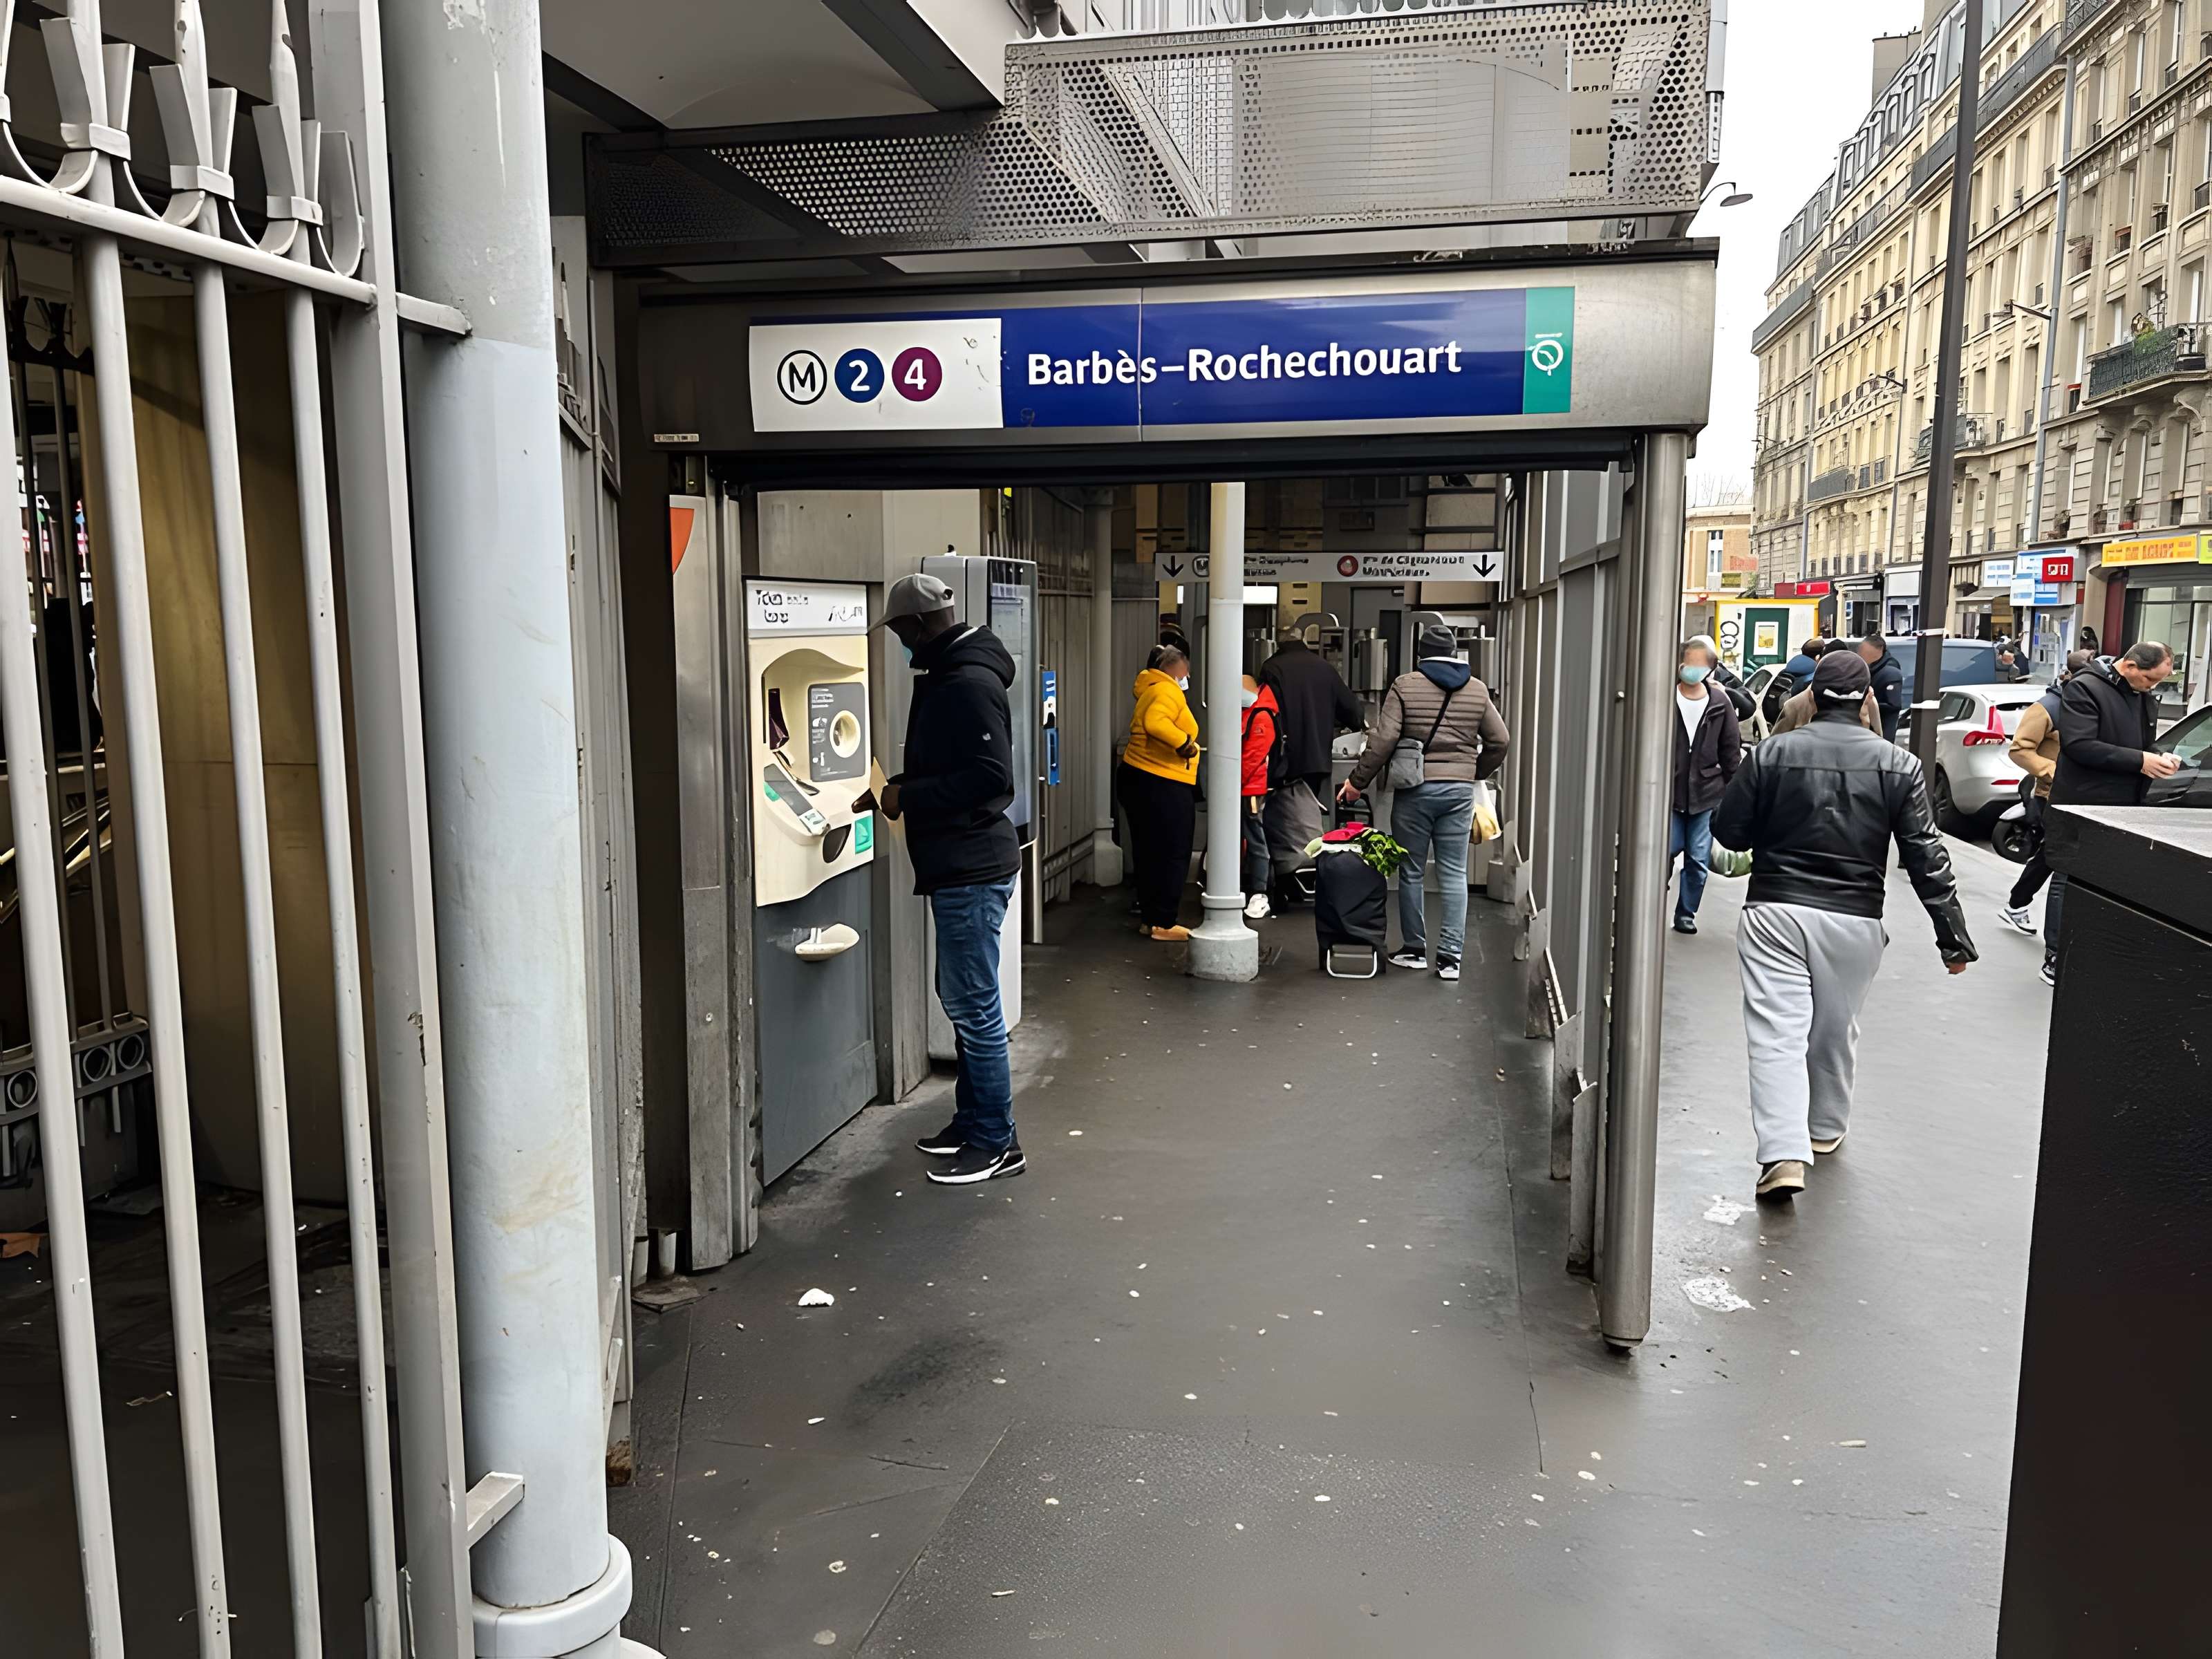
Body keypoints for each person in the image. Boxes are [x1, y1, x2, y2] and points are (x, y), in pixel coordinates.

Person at [1712, 651, 1977, 1202]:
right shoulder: (1898, 764)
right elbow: (1926, 853)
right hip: (1856, 915)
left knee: (1777, 1032)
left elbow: (1732, 833)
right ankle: (1825, 1129)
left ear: (1810, 696)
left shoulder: (1773, 753)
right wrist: (1952, 937)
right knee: (1835, 1027)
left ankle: (1783, 1153)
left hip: (1776, 908)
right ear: (1868, 699)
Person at [879, 573, 1027, 1186]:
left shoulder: (965, 682)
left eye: (899, 632)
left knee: (974, 1005)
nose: (899, 644)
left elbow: (993, 778)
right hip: (959, 863)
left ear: (918, 626)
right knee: (962, 998)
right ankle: (972, 1124)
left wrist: (908, 793)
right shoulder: (955, 673)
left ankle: (997, 1143)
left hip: (971, 864)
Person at [1338, 622, 1510, 982]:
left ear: (1421, 653)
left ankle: (1415, 951)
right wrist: (1474, 771)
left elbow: (1383, 741)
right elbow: (1500, 740)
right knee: (1453, 874)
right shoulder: (1477, 690)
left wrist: (1357, 783)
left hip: (1416, 790)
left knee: (1412, 871)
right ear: (1454, 653)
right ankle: (1450, 959)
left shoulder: (1406, 685)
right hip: (1459, 792)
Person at [2044, 641, 2180, 986]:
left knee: (2111, 878)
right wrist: (2141, 761)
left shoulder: (2142, 694)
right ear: (2130, 666)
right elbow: (2079, 745)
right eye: (2150, 679)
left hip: (2123, 803)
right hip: (2081, 802)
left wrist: (2160, 755)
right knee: (2068, 877)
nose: (2152, 687)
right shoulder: (2084, 688)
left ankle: (2094, 950)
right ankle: (2056, 956)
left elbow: (2143, 742)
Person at [1997, 650, 2094, 941]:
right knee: (2055, 856)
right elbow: (2019, 749)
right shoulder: (2048, 707)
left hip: (2079, 793)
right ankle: (2020, 907)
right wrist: (2052, 772)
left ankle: (2016, 904)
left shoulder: (2085, 706)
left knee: (2050, 855)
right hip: (2050, 793)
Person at [1118, 644, 1201, 943]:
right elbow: (1156, 723)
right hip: (1161, 780)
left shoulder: (1151, 688)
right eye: (1186, 672)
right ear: (1177, 670)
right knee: (1172, 852)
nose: (1187, 677)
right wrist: (1185, 744)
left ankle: (1151, 919)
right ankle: (1164, 921)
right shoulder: (1167, 691)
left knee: (1149, 853)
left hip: (1140, 778)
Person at [1665, 638, 1743, 935]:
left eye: (1700, 664)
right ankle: (1652, 906)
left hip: (1706, 794)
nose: (1692, 669)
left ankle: (1686, 913)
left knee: (1698, 860)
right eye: (1688, 662)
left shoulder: (1720, 703)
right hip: (1669, 794)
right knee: (1663, 855)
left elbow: (1731, 751)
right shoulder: (1665, 697)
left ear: (1711, 669)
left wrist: (1732, 793)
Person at [1259, 621, 1366, 806]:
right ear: (1303, 641)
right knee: (1310, 814)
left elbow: (1266, 713)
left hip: (1284, 762)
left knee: (1283, 816)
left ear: (1278, 644)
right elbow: (1354, 712)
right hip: (1317, 760)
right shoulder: (1324, 667)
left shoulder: (1271, 668)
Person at [1239, 673, 1280, 920]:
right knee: (1252, 838)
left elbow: (1251, 756)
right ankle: (1255, 889)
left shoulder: (1260, 715)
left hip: (1250, 788)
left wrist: (1230, 783)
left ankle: (1259, 892)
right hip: (1247, 786)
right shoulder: (1256, 711)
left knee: (1255, 840)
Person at [1762, 637, 1824, 728]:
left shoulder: (1787, 670)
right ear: (1818, 656)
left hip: (1779, 721)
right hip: (1802, 727)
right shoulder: (1813, 678)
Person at [1857, 632, 1907, 741]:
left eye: (1864, 651)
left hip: (1883, 729)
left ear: (1878, 651)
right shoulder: (1870, 668)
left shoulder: (1890, 672)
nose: (1860, 654)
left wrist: (1865, 705)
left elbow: (1893, 705)